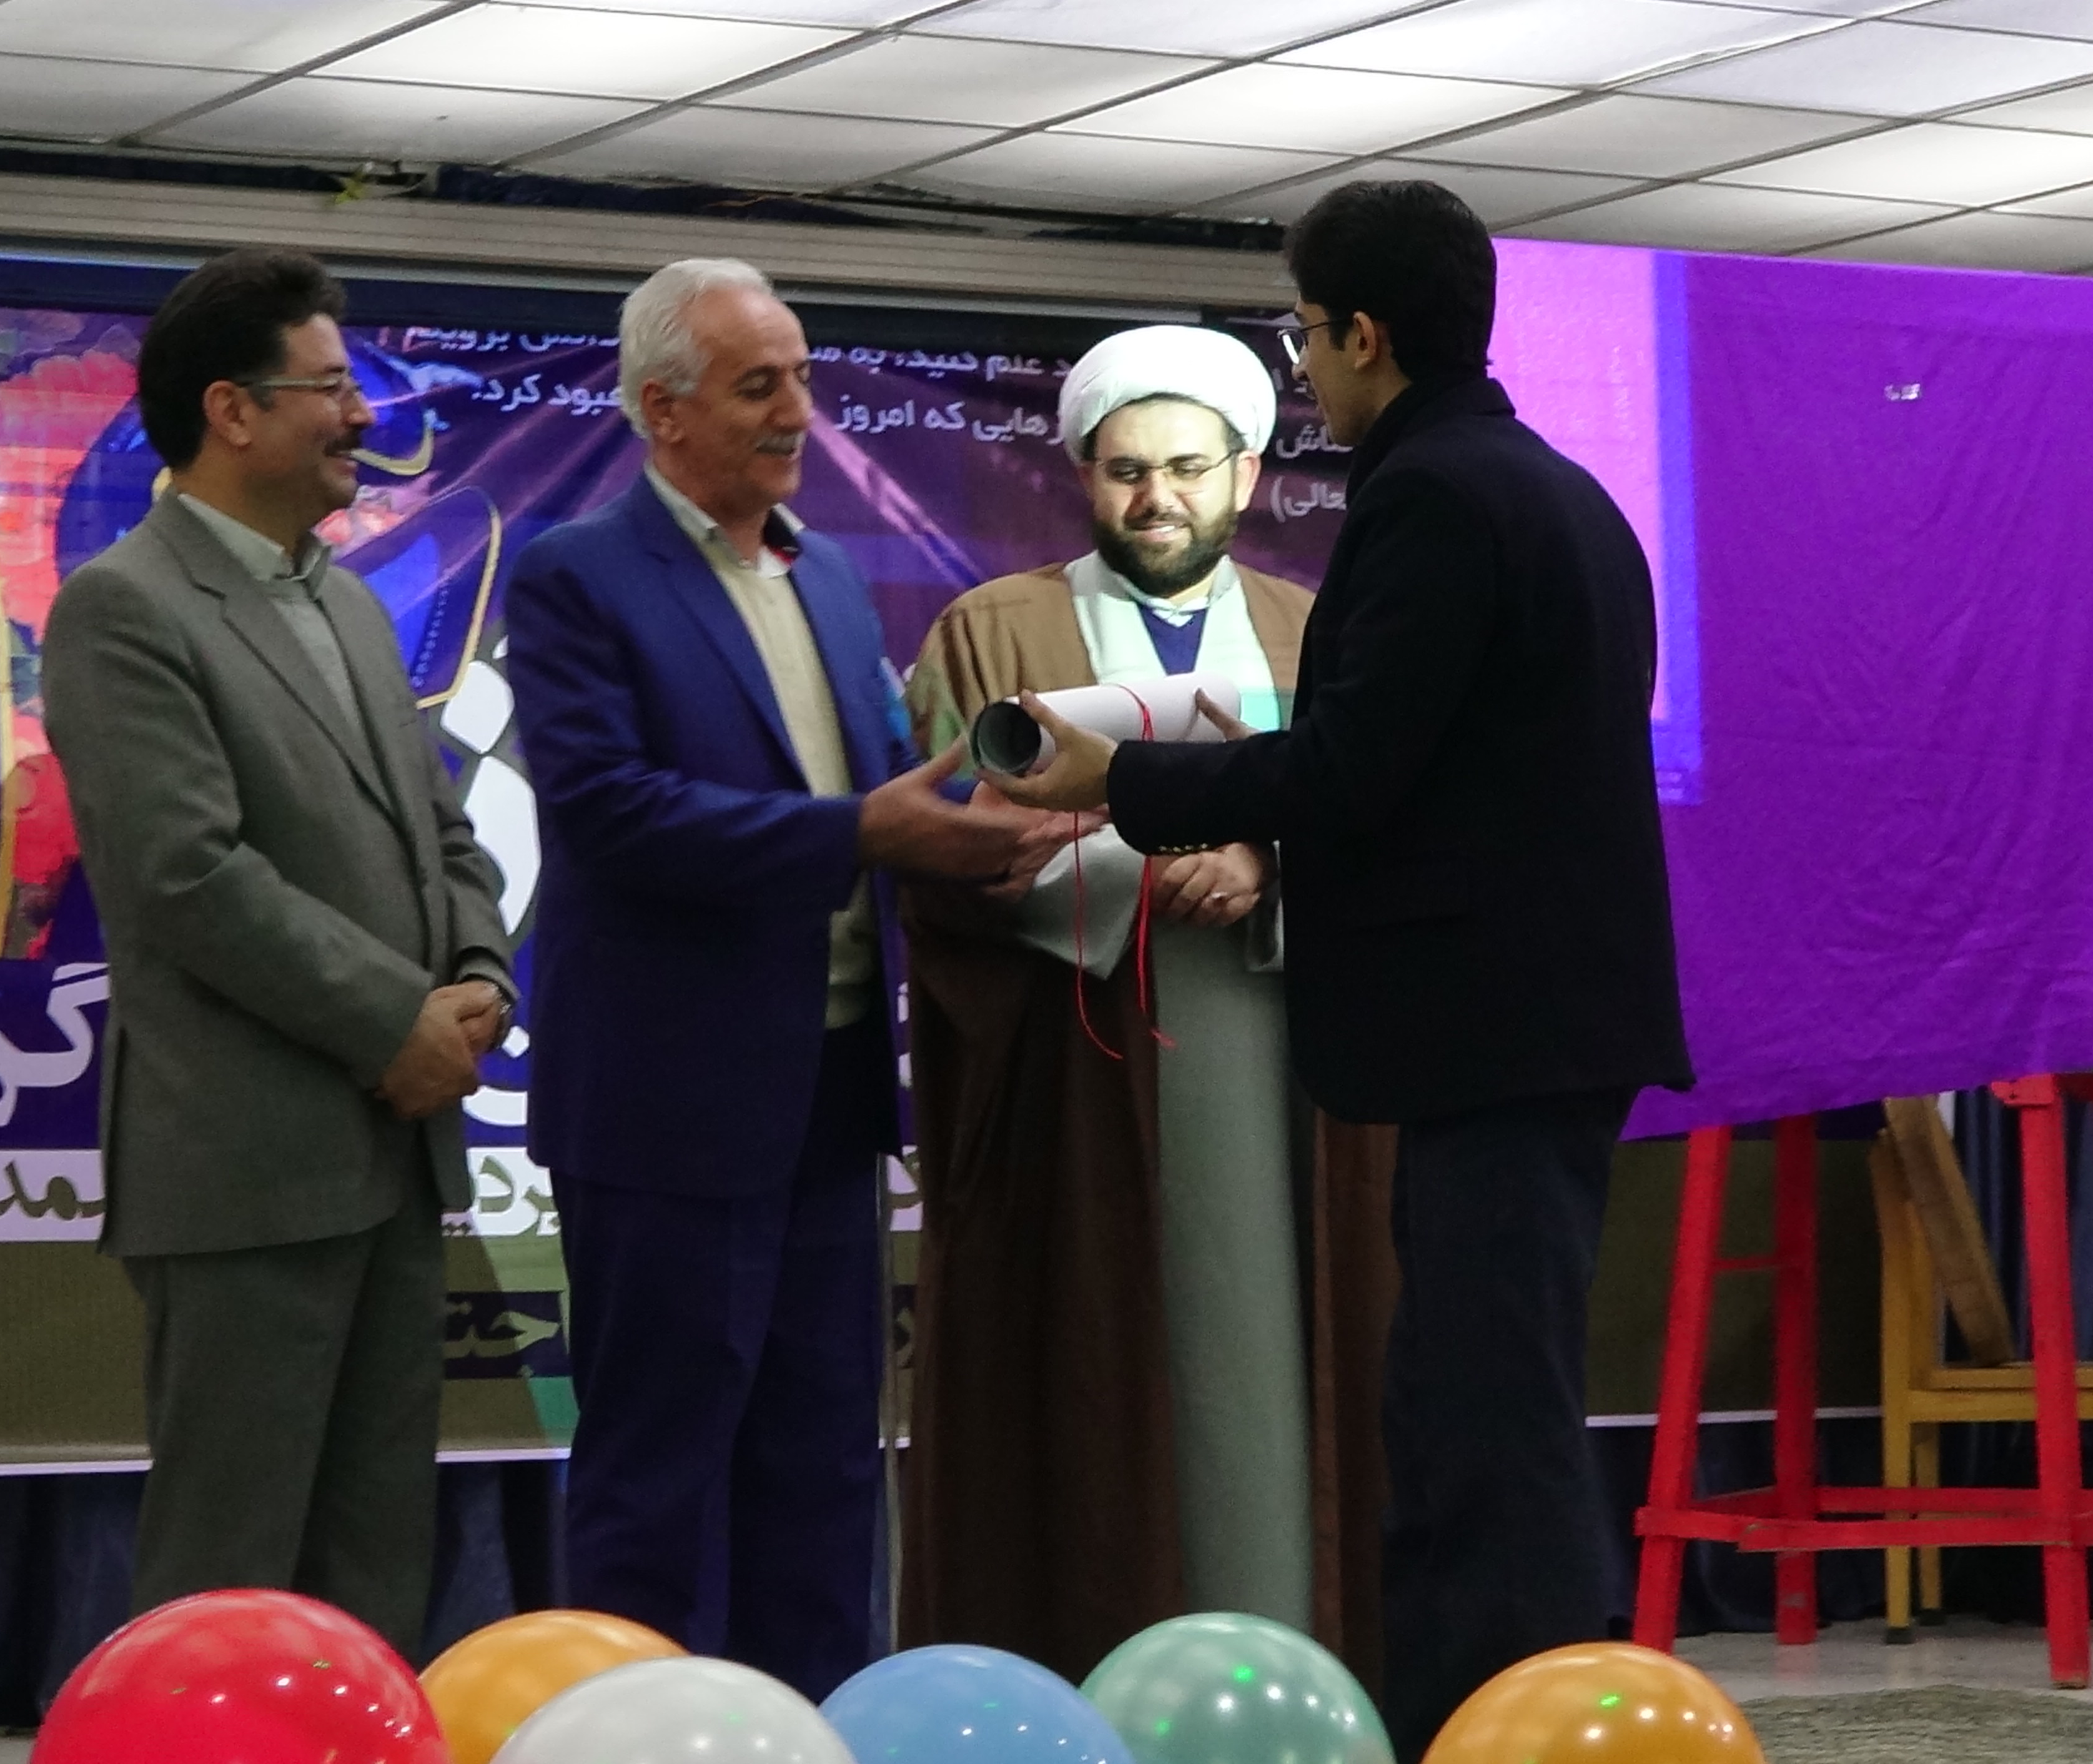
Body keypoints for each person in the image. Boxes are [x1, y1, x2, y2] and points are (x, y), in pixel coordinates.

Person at [987, 182, 1694, 1753]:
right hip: (1529, 1026)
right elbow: (1457, 769)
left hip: (1497, 1031)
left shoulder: (1432, 493)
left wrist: (1120, 775)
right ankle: (1476, 1715)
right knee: (1463, 1406)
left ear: (1365, 333)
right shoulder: (1550, 483)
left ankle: (1511, 1726)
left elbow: (1357, 765)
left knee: (1483, 1426)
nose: (1302, 365)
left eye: (1305, 332)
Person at [504, 257, 1056, 1701]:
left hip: (826, 1092)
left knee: (821, 1469)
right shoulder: (577, 575)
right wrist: (862, 831)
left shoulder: (823, 578)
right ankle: (629, 1732)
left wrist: (990, 835)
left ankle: (811, 1728)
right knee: (658, 1475)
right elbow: (609, 814)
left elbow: (886, 788)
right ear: (661, 410)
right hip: (665, 1108)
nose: (798, 412)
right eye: (759, 385)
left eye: (802, 378)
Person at [896, 325, 1398, 1682]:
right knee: (1096, 1394)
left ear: (1247, 475)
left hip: (1285, 1071)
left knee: (1277, 1380)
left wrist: (1265, 864)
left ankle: (1295, 1674)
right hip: (1080, 1087)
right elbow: (939, 850)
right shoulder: (992, 629)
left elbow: (1384, 830)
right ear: (1082, 475)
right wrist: (1148, 861)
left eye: (1186, 468)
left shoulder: (1316, 630)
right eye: (1125, 471)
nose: (1155, 498)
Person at [43, 248, 517, 1648]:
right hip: (246, 1169)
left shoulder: (348, 601)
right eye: (330, 388)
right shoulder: (123, 606)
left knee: (377, 1558)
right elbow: (185, 877)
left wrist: (479, 978)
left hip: (390, 1156)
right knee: (231, 1569)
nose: (361, 416)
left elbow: (441, 832)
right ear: (232, 410)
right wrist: (393, 1023)